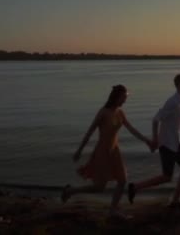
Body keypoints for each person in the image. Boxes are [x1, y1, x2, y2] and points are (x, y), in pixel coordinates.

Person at [61, 84, 151, 219]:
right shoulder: (103, 112)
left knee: (122, 180)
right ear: (116, 97)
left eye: (126, 97)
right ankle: (70, 191)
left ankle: (113, 210)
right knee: (99, 188)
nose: (125, 100)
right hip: (102, 152)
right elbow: (90, 132)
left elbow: (131, 129)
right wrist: (79, 151)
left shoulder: (120, 112)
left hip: (114, 150)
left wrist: (146, 141)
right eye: (124, 97)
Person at [127, 74, 180, 209]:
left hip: (176, 143)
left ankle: (175, 201)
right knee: (167, 177)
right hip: (166, 144)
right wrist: (155, 139)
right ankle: (135, 187)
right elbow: (155, 119)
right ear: (178, 86)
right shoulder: (172, 102)